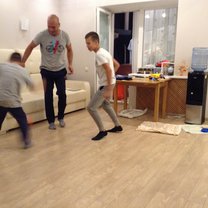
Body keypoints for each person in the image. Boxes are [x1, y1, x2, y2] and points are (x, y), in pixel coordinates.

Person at [22, 14, 74, 130]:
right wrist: (23, 61)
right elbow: (30, 47)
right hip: (46, 71)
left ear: (59, 25)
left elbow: (70, 49)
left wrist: (70, 64)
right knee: (48, 95)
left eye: (53, 27)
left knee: (62, 94)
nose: (51, 30)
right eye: (49, 27)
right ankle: (50, 121)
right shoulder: (42, 35)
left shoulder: (64, 35)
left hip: (60, 70)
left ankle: (61, 117)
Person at [85, 31, 123, 141]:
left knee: (91, 108)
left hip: (106, 85)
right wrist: (111, 80)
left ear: (96, 42)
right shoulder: (105, 52)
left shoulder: (99, 54)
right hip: (109, 83)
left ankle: (102, 131)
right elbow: (117, 65)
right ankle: (117, 126)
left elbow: (109, 69)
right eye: (86, 43)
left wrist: (109, 88)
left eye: (89, 43)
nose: (87, 46)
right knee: (106, 105)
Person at [0, 52, 34, 149]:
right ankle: (26, 141)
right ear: (20, 61)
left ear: (10, 59)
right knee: (22, 119)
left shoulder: (2, 66)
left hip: (0, 99)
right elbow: (31, 85)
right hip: (13, 101)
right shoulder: (22, 70)